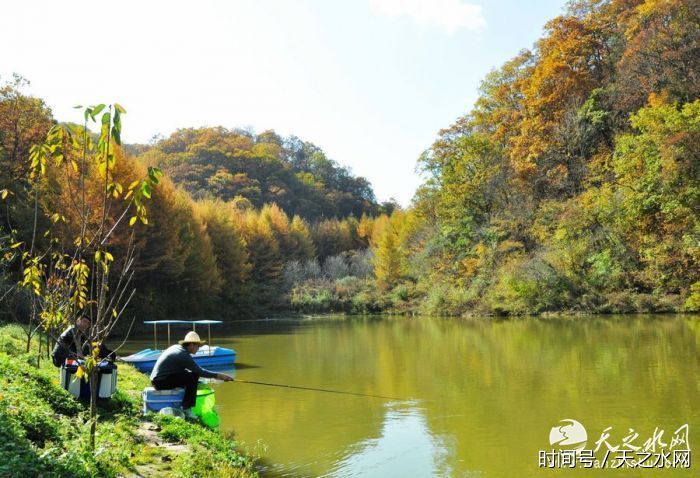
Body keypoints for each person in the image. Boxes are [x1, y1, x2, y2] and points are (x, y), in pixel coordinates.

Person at [150, 331, 233, 419]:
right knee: (193, 376)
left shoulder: (177, 348)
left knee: (191, 376)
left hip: (157, 380)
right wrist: (220, 376)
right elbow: (200, 371)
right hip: (160, 382)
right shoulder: (182, 354)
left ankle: (185, 403)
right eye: (198, 345)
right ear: (192, 344)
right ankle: (187, 408)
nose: (199, 348)